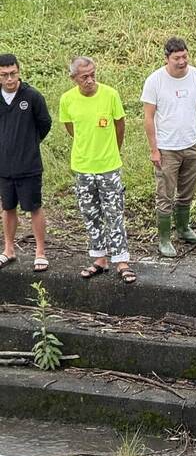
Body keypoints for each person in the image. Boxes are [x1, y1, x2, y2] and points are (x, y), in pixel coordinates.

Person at [59, 57, 136, 283]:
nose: (90, 80)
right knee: (90, 213)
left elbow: (119, 125)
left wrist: (114, 150)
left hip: (108, 166)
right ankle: (99, 258)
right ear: (74, 78)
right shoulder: (67, 100)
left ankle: (122, 260)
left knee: (114, 213)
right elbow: (71, 128)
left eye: (93, 74)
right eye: (84, 76)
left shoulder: (110, 94)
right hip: (82, 167)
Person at [141, 36, 196, 257]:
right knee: (165, 193)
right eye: (176, 58)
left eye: (184, 56)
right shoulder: (155, 81)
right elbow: (148, 117)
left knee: (187, 191)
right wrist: (154, 149)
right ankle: (164, 238)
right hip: (167, 148)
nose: (182, 62)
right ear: (167, 58)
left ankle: (183, 228)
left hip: (192, 145)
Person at [0, 53, 52, 272]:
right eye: (4, 75)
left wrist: (29, 143)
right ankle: (8, 249)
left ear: (19, 72)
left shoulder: (32, 97)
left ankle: (40, 252)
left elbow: (45, 124)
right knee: (7, 207)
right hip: (4, 166)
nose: (10, 79)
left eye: (13, 73)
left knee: (34, 207)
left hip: (28, 166)